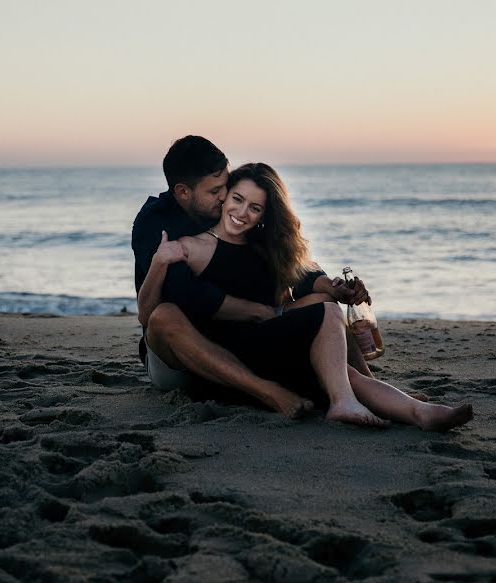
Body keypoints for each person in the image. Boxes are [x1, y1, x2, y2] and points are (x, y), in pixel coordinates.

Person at [138, 162, 473, 431]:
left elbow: (306, 277)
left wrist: (336, 287)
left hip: (265, 347)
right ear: (224, 198)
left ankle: (422, 413)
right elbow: (161, 312)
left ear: (265, 215)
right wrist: (159, 262)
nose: (242, 213)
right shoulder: (191, 247)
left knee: (341, 364)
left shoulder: (265, 248)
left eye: (255, 208)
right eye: (237, 200)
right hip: (221, 359)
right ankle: (346, 402)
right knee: (330, 339)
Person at [132, 136, 372, 419]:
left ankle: (368, 383)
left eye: (226, 186)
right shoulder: (155, 224)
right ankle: (268, 391)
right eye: (216, 191)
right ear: (184, 192)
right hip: (182, 353)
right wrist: (261, 312)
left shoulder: (227, 210)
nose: (225, 197)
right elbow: (188, 296)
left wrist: (332, 285)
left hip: (237, 339)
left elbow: (289, 263)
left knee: (322, 300)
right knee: (165, 315)